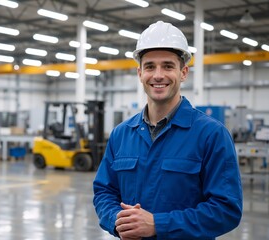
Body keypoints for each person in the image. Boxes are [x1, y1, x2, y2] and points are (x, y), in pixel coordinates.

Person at [93, 21, 242, 239]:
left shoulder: (211, 135)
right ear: (139, 73)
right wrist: (117, 221)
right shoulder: (121, 134)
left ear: (183, 73)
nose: (158, 75)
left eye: (168, 66)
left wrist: (158, 224)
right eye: (150, 66)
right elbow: (104, 191)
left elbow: (226, 210)